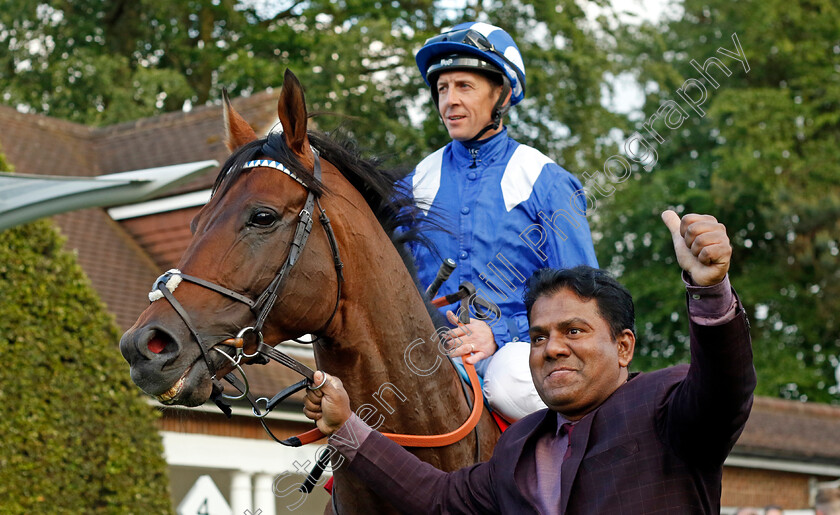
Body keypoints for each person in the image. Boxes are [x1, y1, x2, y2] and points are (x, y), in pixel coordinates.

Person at [304, 210, 755, 514]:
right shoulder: (519, 445)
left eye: (574, 331)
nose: (552, 348)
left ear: (624, 347)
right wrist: (346, 425)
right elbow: (437, 496)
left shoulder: (666, 405)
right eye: (539, 337)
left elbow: (726, 385)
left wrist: (710, 289)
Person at [405, 21, 598, 421]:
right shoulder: (414, 183)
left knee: (509, 380)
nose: (449, 102)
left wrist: (499, 333)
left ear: (503, 94)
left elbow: (582, 300)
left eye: (464, 86)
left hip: (518, 356)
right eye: (442, 89)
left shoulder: (545, 180)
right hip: (424, 355)